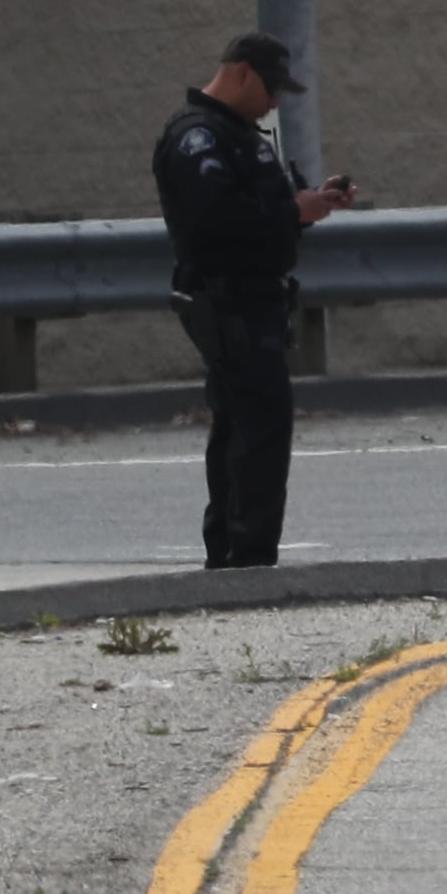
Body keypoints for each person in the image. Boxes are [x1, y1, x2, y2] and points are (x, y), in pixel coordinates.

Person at [155, 33, 353, 569]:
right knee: (259, 427)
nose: (275, 101)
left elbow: (266, 207)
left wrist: (311, 204)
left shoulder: (244, 136)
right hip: (229, 301)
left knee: (242, 427)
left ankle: (232, 552)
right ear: (242, 73)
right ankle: (247, 556)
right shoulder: (198, 139)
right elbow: (220, 220)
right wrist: (294, 212)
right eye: (270, 87)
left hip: (256, 299)